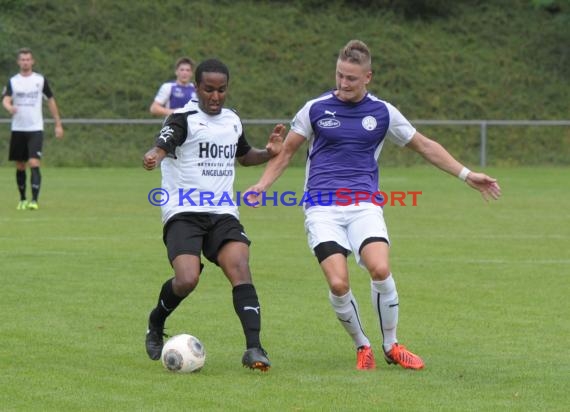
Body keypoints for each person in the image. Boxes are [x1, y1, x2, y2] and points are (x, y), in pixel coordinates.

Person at [245, 40, 501, 371]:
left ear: (368, 76)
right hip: (322, 209)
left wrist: (466, 175)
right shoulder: (316, 108)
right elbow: (288, 151)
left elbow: (423, 145)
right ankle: (362, 346)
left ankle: (391, 345)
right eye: (339, 75)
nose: (343, 83)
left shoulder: (383, 112)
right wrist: (263, 185)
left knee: (379, 268)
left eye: (351, 78)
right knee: (339, 283)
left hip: (364, 204)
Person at [142, 58, 285, 372]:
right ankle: (157, 320)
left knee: (240, 267)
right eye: (209, 89)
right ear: (197, 87)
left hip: (222, 211)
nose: (216, 96)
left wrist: (268, 153)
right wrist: (154, 155)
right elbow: (162, 145)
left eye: (221, 90)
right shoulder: (182, 118)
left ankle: (254, 348)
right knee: (187, 279)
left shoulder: (232, 120)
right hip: (183, 211)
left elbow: (244, 156)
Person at [2, 47, 64, 210]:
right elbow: (6, 99)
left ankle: (34, 201)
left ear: (32, 61)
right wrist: (9, 107)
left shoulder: (40, 80)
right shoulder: (13, 81)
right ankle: (22, 198)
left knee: (34, 162)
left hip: (35, 128)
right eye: (22, 59)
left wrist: (58, 123)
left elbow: (50, 100)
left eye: (28, 59)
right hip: (18, 129)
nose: (25, 62)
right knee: (20, 165)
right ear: (18, 62)